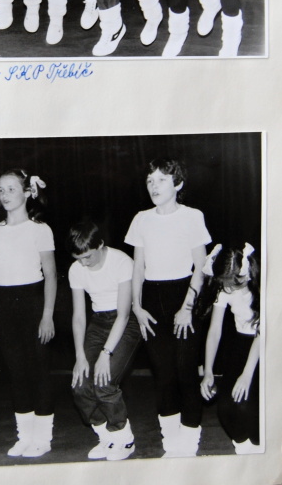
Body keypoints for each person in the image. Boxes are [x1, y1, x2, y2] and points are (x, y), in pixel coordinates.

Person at [124, 158, 211, 457]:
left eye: (161, 179)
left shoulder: (192, 216)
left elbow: (201, 267)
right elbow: (138, 267)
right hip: (151, 299)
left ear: (178, 184)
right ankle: (170, 440)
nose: (154, 186)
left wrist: (187, 307)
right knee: (163, 374)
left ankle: (190, 438)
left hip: (184, 295)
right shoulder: (141, 219)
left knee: (185, 371)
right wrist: (137, 307)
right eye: (150, 180)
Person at [0, 169, 57, 457]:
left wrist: (47, 315)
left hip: (33, 302)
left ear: (27, 193)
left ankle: (43, 438)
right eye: (1, 190)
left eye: (12, 189)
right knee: (16, 371)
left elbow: (51, 275)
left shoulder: (40, 229)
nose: (5, 195)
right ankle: (24, 436)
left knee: (38, 370)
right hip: (4, 304)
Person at [66, 221, 141, 461]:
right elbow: (79, 316)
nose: (84, 263)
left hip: (125, 323)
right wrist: (79, 356)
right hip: (98, 323)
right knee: (80, 384)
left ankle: (124, 438)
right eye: (78, 259)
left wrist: (105, 353)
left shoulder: (121, 262)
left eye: (88, 257)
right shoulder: (76, 269)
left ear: (100, 244)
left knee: (104, 381)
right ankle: (106, 436)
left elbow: (124, 315)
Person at [199, 243, 261, 454]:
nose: (228, 289)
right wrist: (208, 371)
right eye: (224, 284)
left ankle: (259, 449)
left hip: (266, 345)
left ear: (246, 273)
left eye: (233, 283)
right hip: (241, 344)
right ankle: (245, 449)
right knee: (226, 408)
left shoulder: (263, 285)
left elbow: (263, 333)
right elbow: (215, 331)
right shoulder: (226, 286)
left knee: (250, 408)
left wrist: (247, 375)